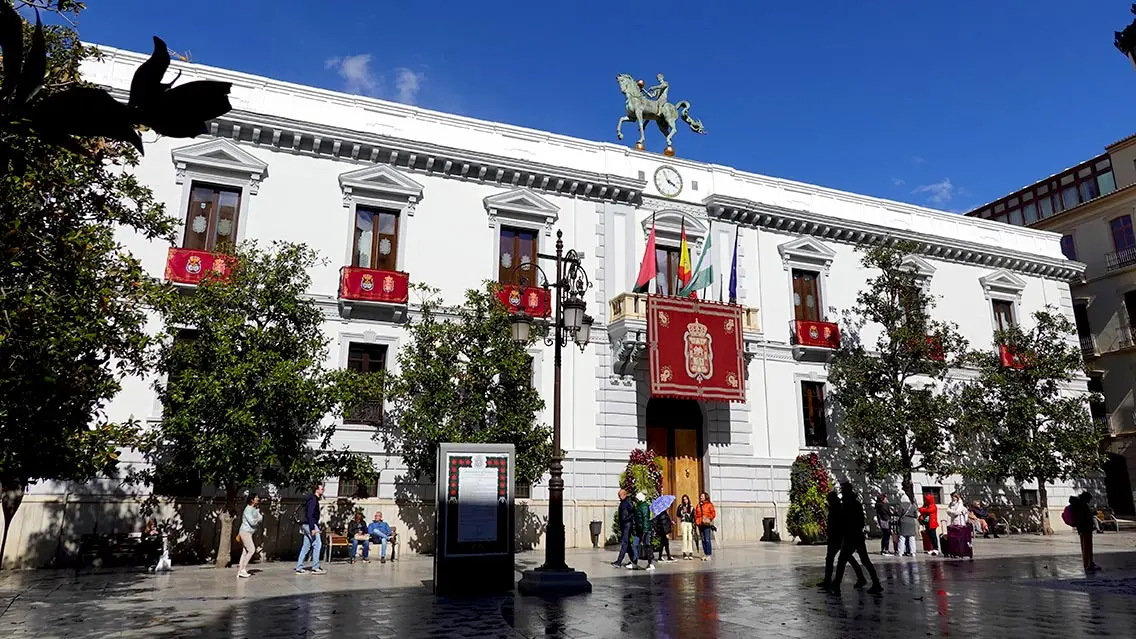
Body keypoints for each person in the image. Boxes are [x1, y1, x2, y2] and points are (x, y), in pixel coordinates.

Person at [830, 482, 883, 595]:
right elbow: (860, 521)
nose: (842, 492)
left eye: (843, 490)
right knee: (864, 560)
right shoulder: (856, 503)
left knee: (842, 561)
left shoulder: (847, 504)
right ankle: (876, 582)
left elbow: (844, 520)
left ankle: (836, 584)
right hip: (857, 535)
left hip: (850, 536)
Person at [818, 490, 863, 590]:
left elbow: (838, 524)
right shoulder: (838, 507)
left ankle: (830, 581)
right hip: (837, 537)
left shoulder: (837, 509)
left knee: (839, 559)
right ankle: (859, 577)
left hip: (837, 538)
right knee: (846, 559)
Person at [294, 483, 326, 574]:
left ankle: (299, 568)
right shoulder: (313, 499)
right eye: (321, 489)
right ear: (317, 490)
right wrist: (312, 528)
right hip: (309, 524)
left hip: (307, 524)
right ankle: (315, 567)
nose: (323, 490)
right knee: (317, 544)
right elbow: (310, 514)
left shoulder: (312, 499)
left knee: (306, 546)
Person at [1070, 492, 1101, 572]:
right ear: (1086, 498)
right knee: (1088, 546)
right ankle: (1089, 564)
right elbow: (1085, 516)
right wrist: (1093, 513)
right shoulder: (1082, 505)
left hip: (1081, 528)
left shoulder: (1077, 504)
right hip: (1086, 527)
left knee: (1084, 546)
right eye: (1089, 499)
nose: (1089, 501)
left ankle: (1086, 563)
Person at [612, 489, 639, 568]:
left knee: (625, 543)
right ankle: (634, 560)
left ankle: (619, 562)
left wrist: (627, 519)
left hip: (627, 525)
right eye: (618, 496)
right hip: (624, 525)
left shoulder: (628, 502)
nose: (619, 497)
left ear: (624, 494)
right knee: (627, 544)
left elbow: (633, 512)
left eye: (620, 495)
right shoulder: (623, 502)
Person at [237, 493, 262, 578]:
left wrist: (258, 518)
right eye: (256, 498)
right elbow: (252, 521)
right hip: (245, 532)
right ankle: (243, 569)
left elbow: (261, 518)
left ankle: (240, 570)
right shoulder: (248, 509)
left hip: (249, 532)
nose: (258, 499)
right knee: (251, 550)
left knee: (245, 551)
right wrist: (257, 519)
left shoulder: (254, 509)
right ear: (252, 500)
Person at [635, 492, 655, 571]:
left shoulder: (644, 507)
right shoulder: (641, 506)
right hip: (640, 530)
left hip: (644, 530)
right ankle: (634, 562)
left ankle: (651, 563)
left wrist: (645, 531)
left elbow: (645, 520)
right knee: (635, 545)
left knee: (647, 545)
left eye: (637, 498)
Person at [695, 492, 716, 561]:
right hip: (700, 524)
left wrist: (708, 518)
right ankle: (705, 554)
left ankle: (709, 554)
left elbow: (713, 513)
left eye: (702, 496)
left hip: (706, 524)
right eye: (700, 496)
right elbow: (696, 514)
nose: (701, 497)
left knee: (707, 539)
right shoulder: (698, 505)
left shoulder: (709, 505)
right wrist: (697, 521)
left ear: (706, 497)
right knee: (703, 540)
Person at [677, 494, 696, 560]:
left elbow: (693, 515)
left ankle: (690, 552)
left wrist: (691, 509)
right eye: (684, 499)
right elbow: (678, 514)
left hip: (690, 523)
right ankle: (684, 552)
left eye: (686, 499)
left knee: (690, 537)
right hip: (684, 522)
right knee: (684, 537)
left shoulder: (691, 506)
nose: (685, 500)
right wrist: (682, 512)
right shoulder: (680, 506)